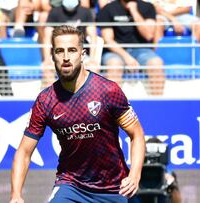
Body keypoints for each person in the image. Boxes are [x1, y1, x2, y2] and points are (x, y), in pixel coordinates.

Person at [10, 25, 145, 203]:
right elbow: (24, 152)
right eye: (60, 51)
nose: (66, 57)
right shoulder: (45, 101)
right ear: (52, 55)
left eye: (72, 50)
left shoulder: (107, 90)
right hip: (71, 186)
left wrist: (134, 175)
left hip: (114, 188)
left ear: (82, 54)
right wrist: (16, 195)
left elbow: (137, 134)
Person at [97, 0, 166, 96]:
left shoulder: (147, 7)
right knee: (114, 64)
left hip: (142, 50)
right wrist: (126, 57)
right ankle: (113, 107)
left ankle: (157, 106)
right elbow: (108, 40)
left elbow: (149, 35)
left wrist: (134, 10)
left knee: (156, 63)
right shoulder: (108, 8)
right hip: (116, 51)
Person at [41, 0, 99, 88]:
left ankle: (89, 97)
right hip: (59, 52)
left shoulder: (86, 12)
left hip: (79, 53)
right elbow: (47, 37)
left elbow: (93, 37)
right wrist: (46, 59)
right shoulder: (54, 12)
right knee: (47, 69)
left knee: (94, 68)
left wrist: (93, 59)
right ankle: (51, 99)